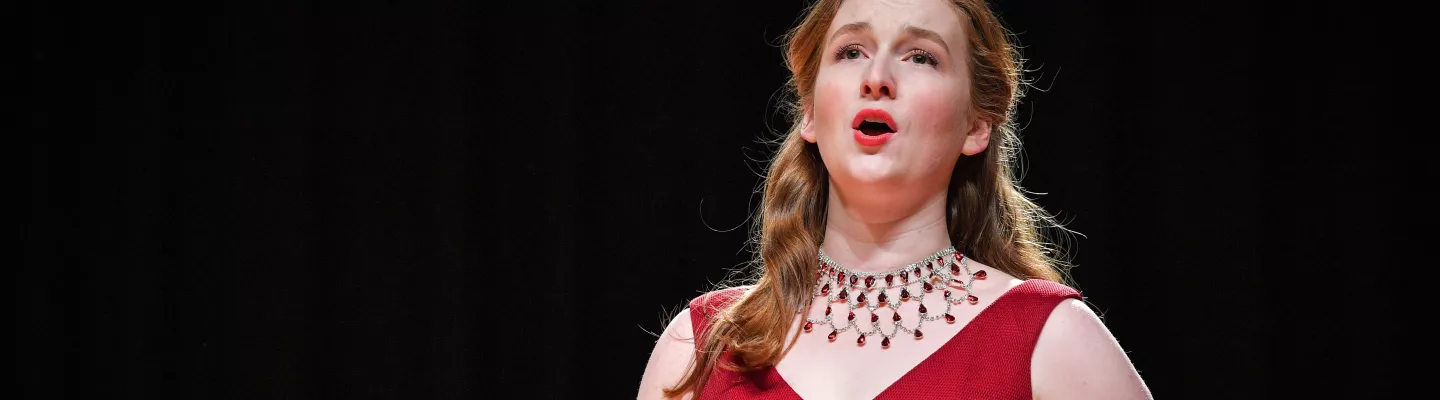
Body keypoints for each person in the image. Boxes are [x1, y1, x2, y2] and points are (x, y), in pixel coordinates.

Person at [639, 0, 1152, 398]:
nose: (877, 78)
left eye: (920, 57)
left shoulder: (1049, 340)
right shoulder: (698, 349)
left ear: (976, 126)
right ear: (811, 114)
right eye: (851, 51)